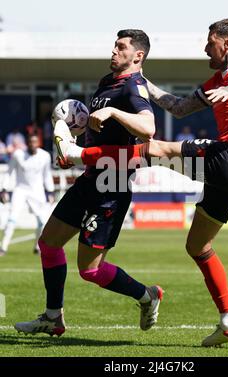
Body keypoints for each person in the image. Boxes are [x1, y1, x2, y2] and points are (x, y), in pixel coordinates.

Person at [55, 19, 228, 346]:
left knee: (154, 148)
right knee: (197, 246)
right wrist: (145, 86)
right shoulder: (214, 82)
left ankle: (77, 155)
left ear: (227, 44)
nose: (205, 48)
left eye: (210, 42)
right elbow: (177, 108)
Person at [14, 30, 163, 337]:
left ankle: (147, 296)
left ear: (138, 56)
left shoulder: (133, 87)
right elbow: (101, 132)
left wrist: (112, 111)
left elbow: (148, 127)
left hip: (112, 186)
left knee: (90, 270)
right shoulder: (107, 83)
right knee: (48, 243)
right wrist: (72, 146)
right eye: (115, 45)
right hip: (90, 178)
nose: (114, 50)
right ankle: (53, 317)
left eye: (121, 47)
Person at [0, 134, 55, 256]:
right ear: (27, 143)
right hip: (20, 190)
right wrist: (3, 189)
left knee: (42, 221)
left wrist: (50, 191)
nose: (32, 144)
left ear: (38, 143)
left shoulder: (45, 156)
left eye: (35, 142)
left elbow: (47, 175)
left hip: (37, 191)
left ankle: (37, 247)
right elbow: (9, 172)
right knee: (11, 218)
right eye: (30, 142)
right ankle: (3, 247)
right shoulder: (18, 155)